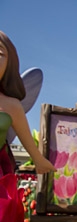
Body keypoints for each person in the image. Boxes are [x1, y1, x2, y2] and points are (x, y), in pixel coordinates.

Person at [0, 30, 55, 176]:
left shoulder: (11, 105)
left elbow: (27, 139)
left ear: (9, 62)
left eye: (0, 54)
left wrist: (39, 160)